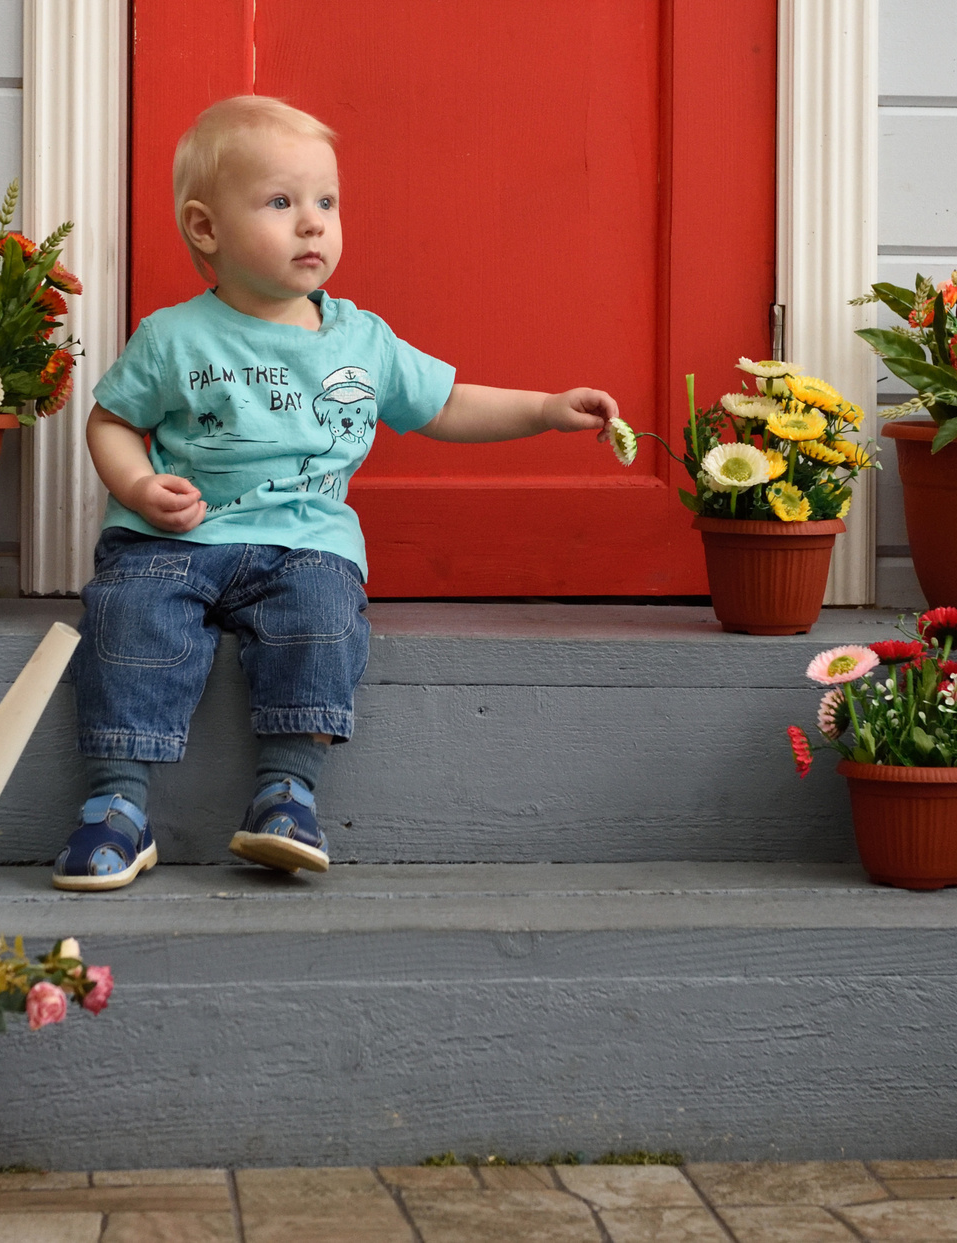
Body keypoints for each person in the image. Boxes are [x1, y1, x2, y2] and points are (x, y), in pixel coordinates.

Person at [52, 95, 619, 890]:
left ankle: (285, 792)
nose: (313, 223)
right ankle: (118, 804)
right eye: (281, 203)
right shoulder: (173, 336)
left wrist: (545, 409)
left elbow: (447, 402)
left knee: (322, 617)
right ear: (206, 229)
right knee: (127, 614)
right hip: (173, 540)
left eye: (326, 201)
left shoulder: (361, 339)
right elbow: (111, 420)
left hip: (304, 541)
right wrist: (140, 486)